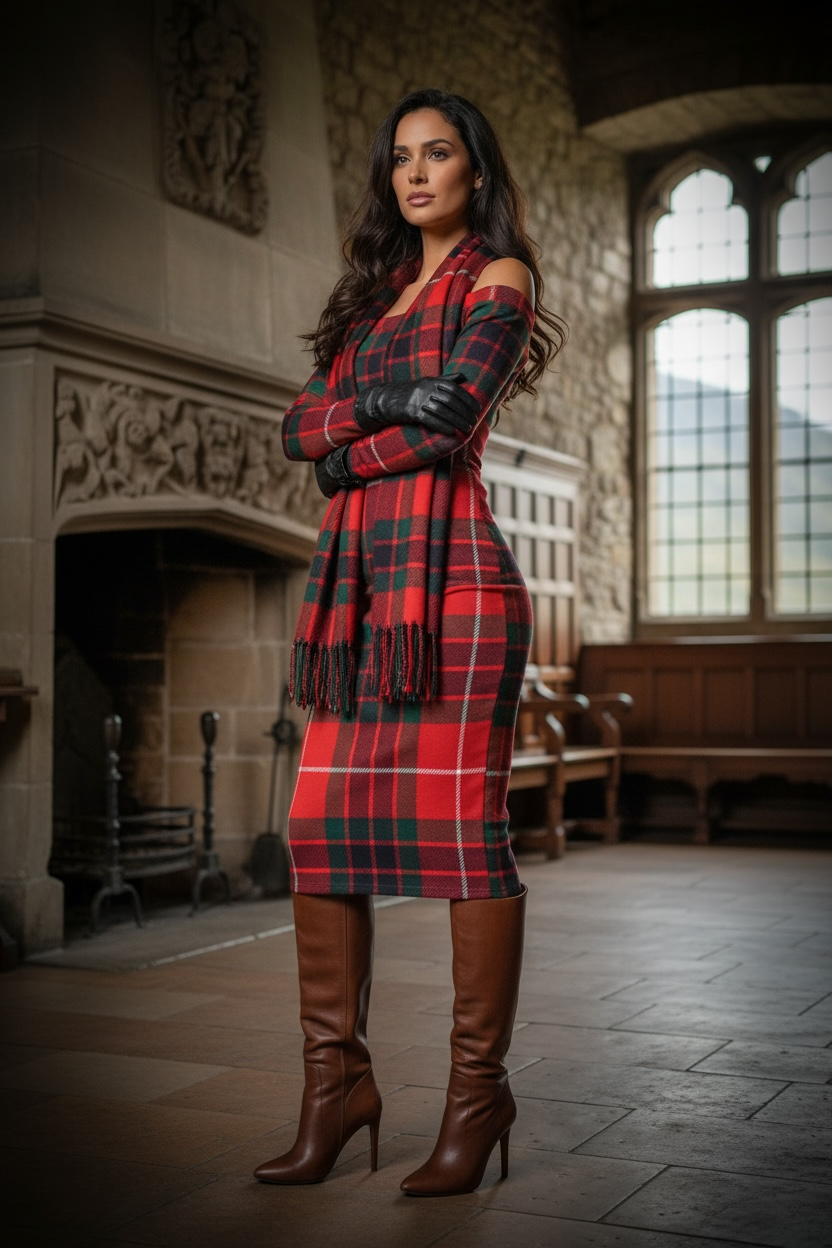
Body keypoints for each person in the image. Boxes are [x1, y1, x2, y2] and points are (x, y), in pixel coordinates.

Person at [254, 88, 564, 1197]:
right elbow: (298, 427)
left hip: (461, 593)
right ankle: (334, 1087)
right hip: (358, 601)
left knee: (467, 839)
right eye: (401, 159)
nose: (416, 173)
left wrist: (352, 442)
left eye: (439, 155)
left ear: (475, 173)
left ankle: (476, 1100)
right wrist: (374, 411)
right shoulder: (373, 299)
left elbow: (450, 417)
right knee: (319, 832)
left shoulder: (499, 279)